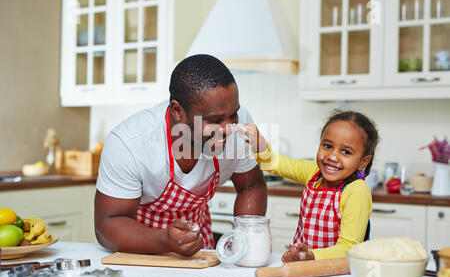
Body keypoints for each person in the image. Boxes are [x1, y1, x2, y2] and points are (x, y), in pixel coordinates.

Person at [95, 54, 267, 257]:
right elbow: (108, 224)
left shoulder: (238, 126)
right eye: (214, 120)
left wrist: (243, 243)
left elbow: (251, 185)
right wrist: (163, 240)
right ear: (177, 110)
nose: (228, 129)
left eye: (233, 115)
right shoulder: (130, 143)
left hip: (200, 251)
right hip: (138, 253)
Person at [240, 110, 379, 262]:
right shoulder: (313, 172)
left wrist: (311, 256)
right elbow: (273, 163)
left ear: (363, 162)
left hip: (336, 273)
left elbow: (348, 248)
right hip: (304, 265)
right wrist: (258, 143)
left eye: (346, 152)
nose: (332, 156)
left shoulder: (356, 191)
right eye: (327, 146)